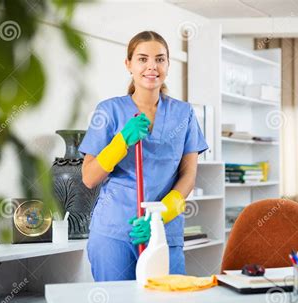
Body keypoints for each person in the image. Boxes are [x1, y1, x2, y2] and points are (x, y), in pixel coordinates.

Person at [79, 31, 208, 281]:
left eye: (160, 59)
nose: (152, 66)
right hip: (113, 232)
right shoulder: (108, 110)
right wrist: (121, 141)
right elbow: (89, 178)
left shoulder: (184, 113)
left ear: (168, 65)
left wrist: (160, 216)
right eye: (142, 59)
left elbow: (188, 176)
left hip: (164, 230)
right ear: (128, 64)